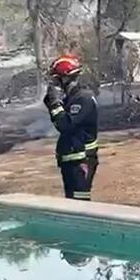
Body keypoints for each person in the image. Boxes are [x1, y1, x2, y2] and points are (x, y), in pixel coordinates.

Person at [43, 54, 99, 201]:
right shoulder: (72, 98)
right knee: (71, 203)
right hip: (71, 160)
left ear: (66, 78)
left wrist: (55, 104)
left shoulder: (83, 99)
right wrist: (52, 102)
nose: (54, 84)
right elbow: (58, 121)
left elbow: (65, 125)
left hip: (81, 160)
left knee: (80, 204)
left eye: (56, 80)